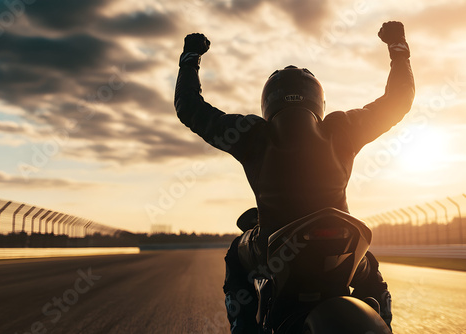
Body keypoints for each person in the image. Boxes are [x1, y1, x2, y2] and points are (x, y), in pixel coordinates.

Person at [174, 21, 414, 333]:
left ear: (268, 102)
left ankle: (244, 326)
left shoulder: (251, 133)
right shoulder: (342, 128)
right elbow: (400, 100)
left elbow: (188, 107)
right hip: (340, 242)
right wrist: (398, 48)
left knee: (236, 254)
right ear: (318, 100)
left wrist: (190, 57)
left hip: (275, 248)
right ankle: (383, 320)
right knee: (370, 273)